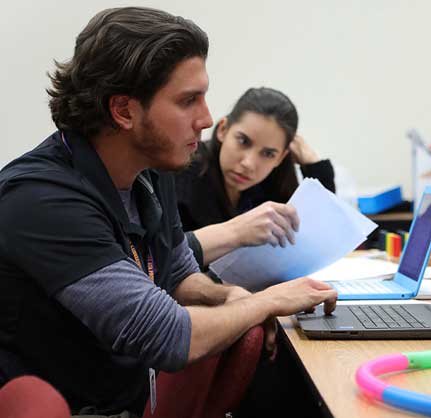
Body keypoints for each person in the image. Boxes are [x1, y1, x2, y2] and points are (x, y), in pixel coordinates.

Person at [0, 7, 336, 415]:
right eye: (188, 100)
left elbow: (175, 272)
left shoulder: (152, 169)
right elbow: (166, 335)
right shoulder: (41, 200)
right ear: (124, 111)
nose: (207, 119)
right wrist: (266, 302)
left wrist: (226, 294)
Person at [175, 87, 335, 268]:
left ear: (280, 158)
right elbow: (156, 258)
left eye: (268, 154)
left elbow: (317, 236)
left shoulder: (272, 183)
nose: (249, 164)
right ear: (223, 130)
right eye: (243, 141)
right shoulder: (182, 172)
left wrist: (314, 165)